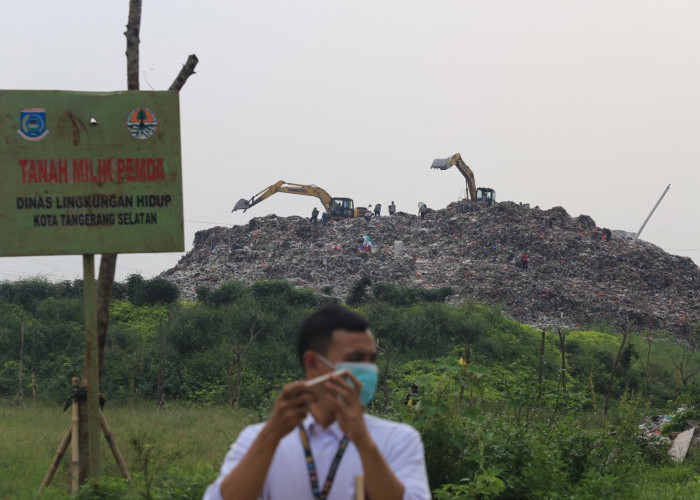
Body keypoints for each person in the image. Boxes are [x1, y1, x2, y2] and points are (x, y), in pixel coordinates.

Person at [203, 306, 431, 500]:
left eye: (372, 360)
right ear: (313, 364)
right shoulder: (258, 439)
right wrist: (270, 436)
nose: (368, 370)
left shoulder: (398, 439)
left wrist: (362, 441)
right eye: (355, 359)